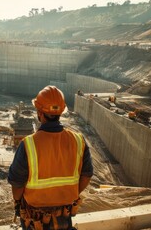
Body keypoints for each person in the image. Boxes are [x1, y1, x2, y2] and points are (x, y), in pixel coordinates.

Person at [8, 85, 93, 230]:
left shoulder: (28, 145)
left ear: (39, 113)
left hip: (36, 218)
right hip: (64, 215)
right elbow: (87, 175)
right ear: (61, 112)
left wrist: (17, 203)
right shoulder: (78, 141)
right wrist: (71, 193)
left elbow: (17, 183)